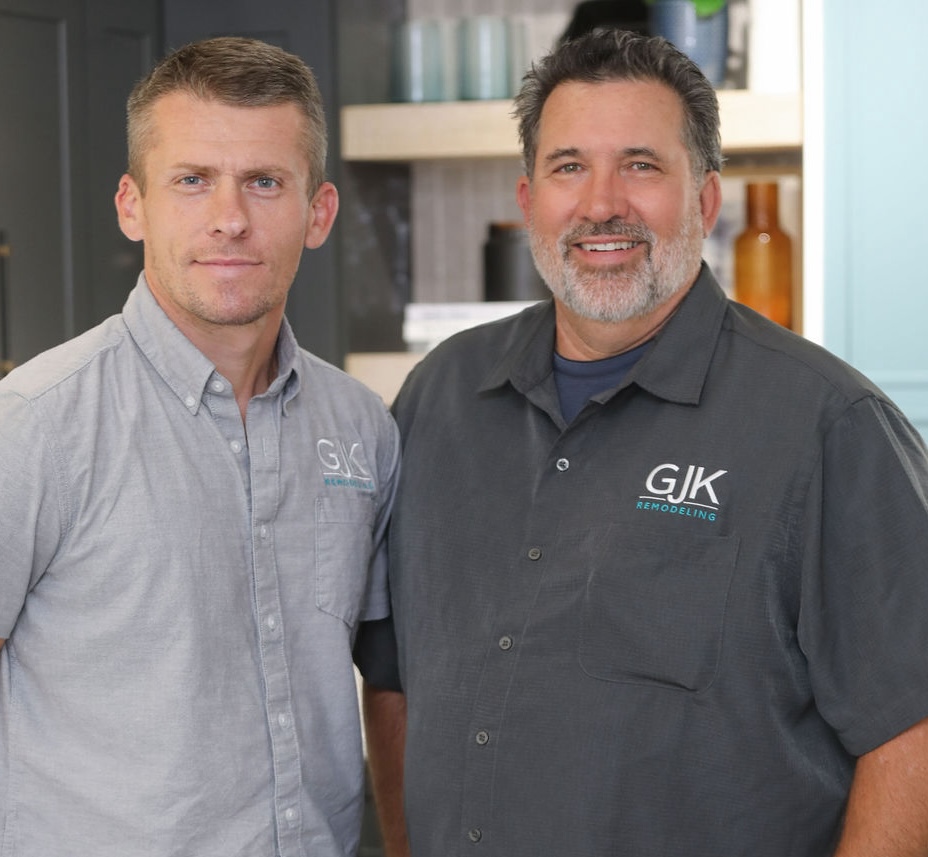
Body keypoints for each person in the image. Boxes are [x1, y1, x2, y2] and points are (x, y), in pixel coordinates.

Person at [358, 28, 928, 857]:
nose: (600, 203)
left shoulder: (827, 426)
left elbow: (910, 733)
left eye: (641, 164)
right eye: (568, 167)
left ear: (704, 201)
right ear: (527, 201)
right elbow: (395, 677)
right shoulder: (438, 397)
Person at [0, 36, 399, 856]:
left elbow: (383, 677)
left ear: (318, 213)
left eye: (265, 182)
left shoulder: (361, 429)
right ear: (132, 205)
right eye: (192, 180)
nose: (230, 217)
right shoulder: (33, 427)